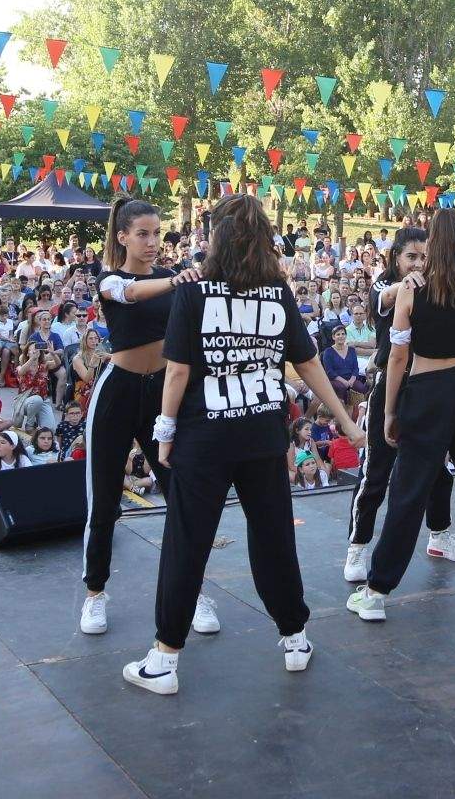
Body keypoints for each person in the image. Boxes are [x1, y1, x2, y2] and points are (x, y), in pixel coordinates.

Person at [121, 193, 364, 696]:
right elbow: (308, 363)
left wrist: (164, 432)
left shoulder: (194, 291)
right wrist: (344, 420)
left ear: (218, 237)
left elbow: (178, 371)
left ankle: (165, 658)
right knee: (273, 537)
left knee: (187, 542)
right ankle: (295, 637)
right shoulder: (277, 293)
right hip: (262, 435)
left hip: (204, 437)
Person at [348, 208, 455, 623]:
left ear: (433, 244)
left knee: (407, 493)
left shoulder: (413, 290)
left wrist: (390, 411)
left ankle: (376, 592)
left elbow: (398, 356)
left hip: (425, 394)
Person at [80, 198, 200, 636]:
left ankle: (191, 593)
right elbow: (130, 293)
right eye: (143, 234)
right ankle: (95, 593)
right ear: (123, 236)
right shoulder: (109, 279)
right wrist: (176, 281)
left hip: (163, 394)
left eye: (157, 234)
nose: (152, 242)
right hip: (117, 392)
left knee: (181, 496)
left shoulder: (174, 279)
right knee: (104, 500)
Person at [343, 226, 455, 585]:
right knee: (376, 472)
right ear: (395, 257)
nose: (418, 263)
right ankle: (358, 545)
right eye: (411, 256)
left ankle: (439, 535)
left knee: (439, 469)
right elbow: (384, 298)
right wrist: (408, 284)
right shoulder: (384, 285)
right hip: (391, 386)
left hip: (428, 386)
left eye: (424, 257)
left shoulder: (438, 287)